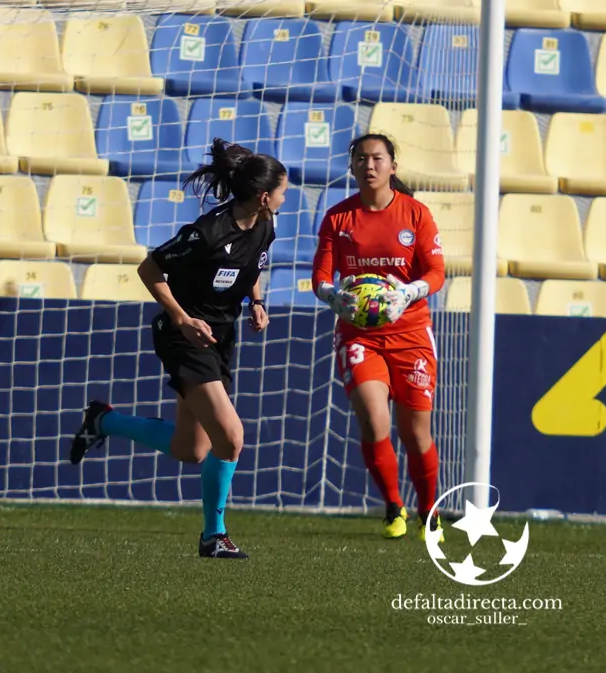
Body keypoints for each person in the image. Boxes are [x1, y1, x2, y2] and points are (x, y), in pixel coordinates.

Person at [68, 138, 287, 559]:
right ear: (264, 196)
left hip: (221, 336)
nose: (285, 196)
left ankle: (103, 422)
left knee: (193, 450)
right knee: (232, 437)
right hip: (183, 336)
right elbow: (149, 267)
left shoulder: (265, 224)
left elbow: (253, 265)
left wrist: (256, 302)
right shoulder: (208, 231)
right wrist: (183, 319)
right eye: (282, 190)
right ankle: (213, 536)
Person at [311, 133, 446, 542]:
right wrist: (333, 296)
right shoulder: (337, 218)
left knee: (416, 432)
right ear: (351, 167)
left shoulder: (416, 215)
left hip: (411, 334)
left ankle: (429, 512)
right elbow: (320, 276)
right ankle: (392, 506)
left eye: (377, 158)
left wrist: (408, 292)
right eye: (361, 160)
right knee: (373, 420)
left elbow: (436, 273)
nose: (369, 166)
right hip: (358, 335)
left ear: (393, 166)